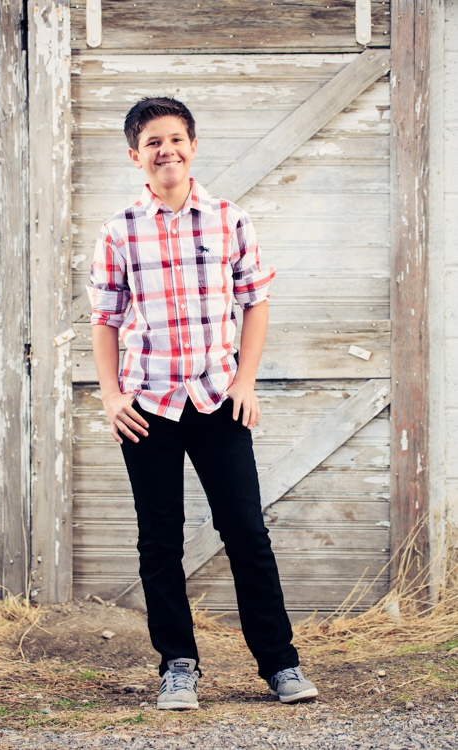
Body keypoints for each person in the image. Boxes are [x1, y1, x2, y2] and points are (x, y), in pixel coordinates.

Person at [87, 96, 318, 710]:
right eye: (152, 142)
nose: (166, 150)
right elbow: (105, 319)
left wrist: (245, 381)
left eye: (176, 139)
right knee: (159, 539)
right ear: (135, 156)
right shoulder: (119, 230)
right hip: (147, 406)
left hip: (218, 400)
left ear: (192, 146)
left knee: (245, 531)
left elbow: (255, 301)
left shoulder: (228, 220)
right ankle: (178, 666)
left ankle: (280, 663)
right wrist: (111, 397)